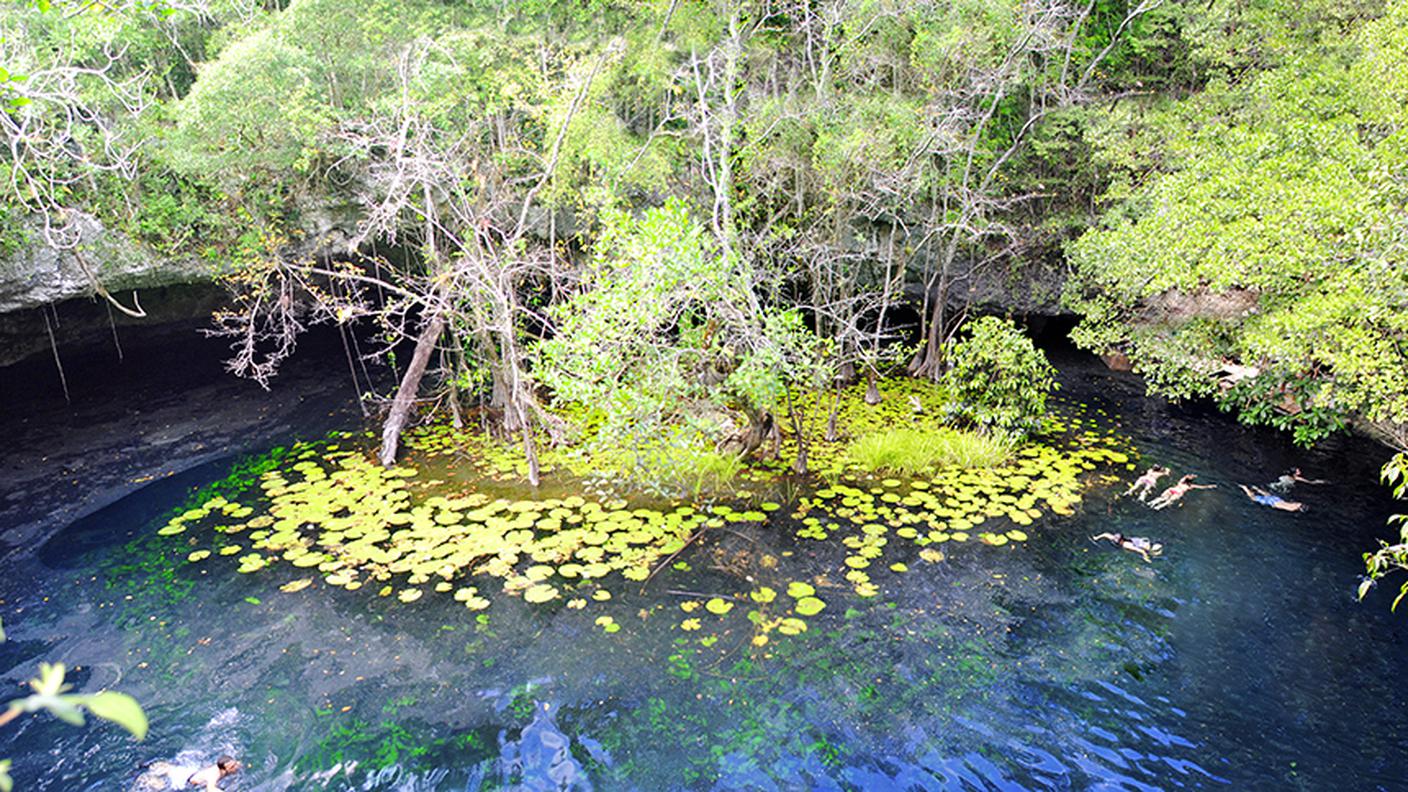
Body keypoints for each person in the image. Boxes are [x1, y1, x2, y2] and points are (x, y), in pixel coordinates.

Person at [132, 755, 240, 791]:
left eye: (234, 764)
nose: (236, 767)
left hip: (189, 771)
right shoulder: (214, 774)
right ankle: (142, 776)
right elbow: (210, 789)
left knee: (169, 768)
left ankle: (145, 766)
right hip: (184, 779)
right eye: (232, 767)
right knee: (160, 786)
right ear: (223, 769)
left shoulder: (226, 766)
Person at [1148, 474, 1217, 510]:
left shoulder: (1181, 482)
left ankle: (1152, 502)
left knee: (1162, 498)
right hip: (1178, 493)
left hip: (1172, 489)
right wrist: (1210, 486)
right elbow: (1202, 487)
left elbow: (1185, 476)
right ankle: (1158, 507)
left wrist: (1192, 476)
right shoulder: (1190, 486)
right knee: (1169, 501)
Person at [1092, 532, 1163, 562]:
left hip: (1147, 547)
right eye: (1115, 540)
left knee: (1157, 552)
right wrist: (1097, 537)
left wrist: (1145, 558)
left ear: (1121, 540)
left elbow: (1141, 551)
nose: (1115, 541)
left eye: (1117, 541)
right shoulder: (1114, 538)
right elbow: (1105, 534)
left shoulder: (1126, 545)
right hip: (1143, 541)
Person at [1240, 484, 1308, 513]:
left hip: (1278, 499)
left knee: (1268, 495)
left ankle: (1257, 489)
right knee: (1253, 498)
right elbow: (1282, 507)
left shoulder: (1298, 503)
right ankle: (1245, 488)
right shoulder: (1293, 509)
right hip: (1274, 503)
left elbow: (1289, 503)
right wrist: (1274, 506)